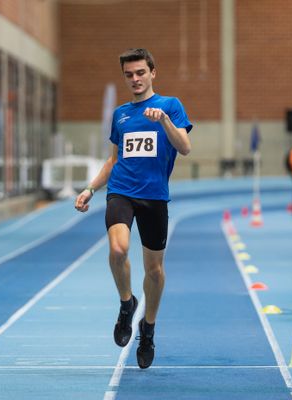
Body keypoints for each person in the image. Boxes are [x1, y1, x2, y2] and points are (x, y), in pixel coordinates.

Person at [74, 48, 192, 369]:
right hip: (121, 192)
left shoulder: (170, 106)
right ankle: (127, 304)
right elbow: (114, 160)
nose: (135, 79)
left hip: (154, 197)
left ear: (153, 72)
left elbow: (184, 147)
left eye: (140, 72)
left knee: (154, 271)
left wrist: (165, 121)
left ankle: (148, 328)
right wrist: (90, 188)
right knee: (117, 249)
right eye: (129, 75)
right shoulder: (121, 115)